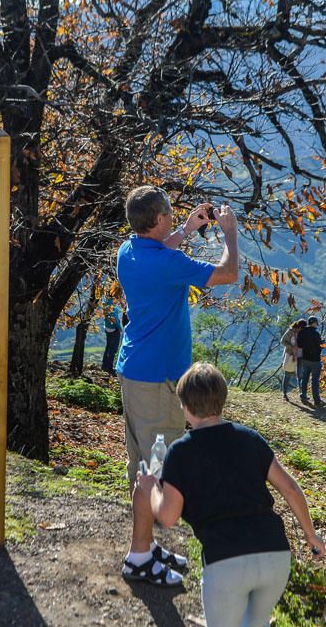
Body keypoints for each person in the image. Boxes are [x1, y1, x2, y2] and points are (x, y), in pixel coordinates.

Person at [135, 362, 325, 626]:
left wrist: (151, 488)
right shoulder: (250, 438)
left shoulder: (180, 451)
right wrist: (311, 535)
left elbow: (168, 517)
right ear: (222, 400)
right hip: (276, 556)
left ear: (187, 408)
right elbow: (290, 489)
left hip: (225, 562)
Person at [116, 186, 239, 587]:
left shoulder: (129, 252)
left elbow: (162, 247)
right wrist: (230, 235)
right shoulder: (170, 264)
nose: (173, 217)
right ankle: (138, 558)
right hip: (158, 381)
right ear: (158, 220)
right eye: (170, 214)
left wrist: (186, 228)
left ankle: (146, 546)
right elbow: (228, 273)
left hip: (135, 371)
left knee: (141, 465)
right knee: (154, 472)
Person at [296, 316, 326, 408]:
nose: (317, 325)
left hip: (305, 358)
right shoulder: (316, 333)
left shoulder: (302, 332)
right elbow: (320, 346)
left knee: (305, 378)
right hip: (315, 360)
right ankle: (317, 400)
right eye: (316, 323)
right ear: (314, 323)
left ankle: (303, 395)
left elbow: (299, 345)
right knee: (315, 381)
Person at [279, 319, 306, 402]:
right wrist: (292, 347)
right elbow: (282, 342)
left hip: (301, 356)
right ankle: (284, 393)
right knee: (288, 374)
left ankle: (302, 394)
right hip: (291, 355)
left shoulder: (303, 332)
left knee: (300, 375)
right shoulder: (290, 332)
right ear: (299, 327)